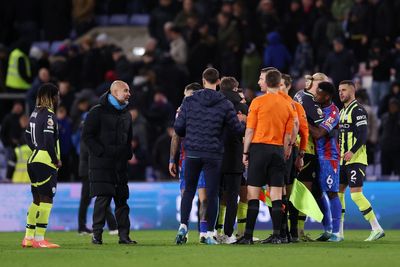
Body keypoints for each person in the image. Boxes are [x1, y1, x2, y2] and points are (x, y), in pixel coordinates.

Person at [174, 68, 245, 245]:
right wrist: (242, 123)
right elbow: (236, 130)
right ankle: (208, 233)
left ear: (203, 80)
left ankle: (183, 226)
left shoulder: (189, 101)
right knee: (212, 195)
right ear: (218, 82)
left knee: (189, 191)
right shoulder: (225, 103)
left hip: (192, 153)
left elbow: (178, 128)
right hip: (213, 154)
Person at [236, 69, 294, 245]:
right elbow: (288, 135)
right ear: (279, 82)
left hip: (259, 149)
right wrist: (284, 152)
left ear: (267, 82)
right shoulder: (288, 105)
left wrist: (245, 152)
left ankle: (247, 236)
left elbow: (250, 129)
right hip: (277, 150)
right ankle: (278, 235)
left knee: (253, 193)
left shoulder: (258, 102)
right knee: (276, 194)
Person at [82, 80, 136, 245]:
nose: (129, 94)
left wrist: (128, 153)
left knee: (122, 201)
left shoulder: (126, 114)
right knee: (103, 200)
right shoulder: (97, 112)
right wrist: (101, 152)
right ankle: (96, 235)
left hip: (120, 165)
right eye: (125, 91)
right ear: (114, 92)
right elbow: (87, 136)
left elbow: (128, 139)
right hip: (102, 164)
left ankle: (124, 236)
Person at [338, 80, 385, 241]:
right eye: (339, 90)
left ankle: (376, 228)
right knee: (338, 195)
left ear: (352, 91)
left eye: (343, 90)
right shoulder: (342, 111)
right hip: (343, 161)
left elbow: (363, 134)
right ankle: (339, 232)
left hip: (355, 159)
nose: (341, 93)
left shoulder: (357, 110)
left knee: (356, 195)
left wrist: (351, 151)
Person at [22, 83, 61, 248]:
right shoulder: (50, 115)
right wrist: (54, 159)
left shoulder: (34, 113)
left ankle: (28, 238)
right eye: (57, 95)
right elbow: (48, 140)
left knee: (36, 200)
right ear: (52, 97)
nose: (59, 98)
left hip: (33, 159)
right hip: (45, 160)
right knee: (47, 200)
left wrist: (36, 150)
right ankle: (40, 239)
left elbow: (27, 137)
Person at [169, 82, 208, 243]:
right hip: (193, 158)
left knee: (194, 196)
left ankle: (193, 230)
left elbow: (176, 135)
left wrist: (172, 159)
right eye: (185, 97)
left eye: (188, 96)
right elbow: (176, 136)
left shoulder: (184, 111)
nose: (186, 100)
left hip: (191, 158)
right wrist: (172, 159)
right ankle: (198, 231)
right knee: (198, 196)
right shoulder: (186, 111)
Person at [293, 72, 327, 241]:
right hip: (306, 149)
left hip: (294, 147)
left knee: (292, 190)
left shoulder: (299, 94)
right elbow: (321, 132)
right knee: (304, 193)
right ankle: (299, 231)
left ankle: (290, 230)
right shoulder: (311, 102)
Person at [307, 82, 342, 242]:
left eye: (318, 94)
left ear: (327, 96)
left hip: (329, 157)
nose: (315, 96)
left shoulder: (333, 112)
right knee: (317, 192)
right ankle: (327, 229)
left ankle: (337, 232)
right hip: (316, 156)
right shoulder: (317, 109)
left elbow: (319, 133)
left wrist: (302, 121)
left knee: (331, 192)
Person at [215, 77, 248, 244]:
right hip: (235, 156)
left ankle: (212, 232)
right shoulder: (241, 107)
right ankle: (228, 234)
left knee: (215, 195)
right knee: (233, 196)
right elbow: (246, 132)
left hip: (214, 155)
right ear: (235, 88)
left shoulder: (213, 104)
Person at [77, 112, 118, 235]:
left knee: (93, 198)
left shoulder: (86, 134)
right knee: (101, 196)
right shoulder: (88, 136)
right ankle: (112, 226)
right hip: (89, 170)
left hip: (88, 170)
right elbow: (90, 152)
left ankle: (83, 227)